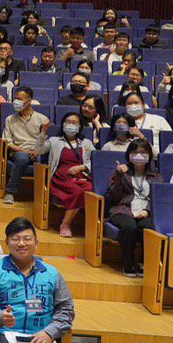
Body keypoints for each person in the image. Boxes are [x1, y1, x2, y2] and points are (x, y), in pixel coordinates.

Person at [105, 138, 159, 277]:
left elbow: (158, 198)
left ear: (149, 156)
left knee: (149, 228)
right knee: (129, 227)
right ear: (129, 155)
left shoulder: (156, 176)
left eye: (143, 152)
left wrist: (147, 211)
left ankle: (142, 263)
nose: (139, 155)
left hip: (145, 212)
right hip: (123, 209)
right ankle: (128, 263)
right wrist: (118, 175)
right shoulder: (122, 172)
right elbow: (114, 196)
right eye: (135, 152)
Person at [46, 113, 94, 238]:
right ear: (63, 124)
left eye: (74, 122)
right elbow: (39, 150)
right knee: (77, 191)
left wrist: (83, 167)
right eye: (68, 121)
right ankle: (65, 224)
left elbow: (96, 160)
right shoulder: (54, 140)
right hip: (62, 176)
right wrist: (42, 133)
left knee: (89, 189)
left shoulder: (86, 143)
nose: (71, 124)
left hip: (80, 174)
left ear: (80, 126)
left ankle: (70, 223)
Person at [2, 87, 50, 202]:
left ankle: (43, 198)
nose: (15, 102)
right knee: (22, 158)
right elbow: (8, 143)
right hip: (19, 151)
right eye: (15, 99)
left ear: (28, 101)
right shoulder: (10, 119)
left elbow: (46, 141)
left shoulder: (42, 119)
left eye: (19, 99)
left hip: (37, 151)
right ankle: (10, 192)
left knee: (45, 160)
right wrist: (25, 151)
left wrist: (37, 151)